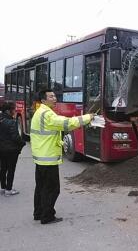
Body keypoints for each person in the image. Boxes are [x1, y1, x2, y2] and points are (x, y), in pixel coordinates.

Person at [30, 89, 94, 224]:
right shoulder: (47, 114)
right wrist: (88, 117)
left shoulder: (40, 112)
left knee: (41, 187)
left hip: (40, 157)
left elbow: (45, 135)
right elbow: (67, 123)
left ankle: (38, 213)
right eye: (51, 96)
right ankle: (47, 216)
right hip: (48, 159)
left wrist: (60, 142)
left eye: (54, 96)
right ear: (43, 100)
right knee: (52, 189)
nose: (54, 98)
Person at [0, 101, 26, 196]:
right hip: (11, 150)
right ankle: (9, 189)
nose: (15, 111)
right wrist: (22, 143)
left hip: (1, 149)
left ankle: (3, 187)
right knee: (11, 169)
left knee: (3, 168)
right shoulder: (11, 122)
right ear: (8, 111)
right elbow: (15, 137)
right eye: (13, 109)